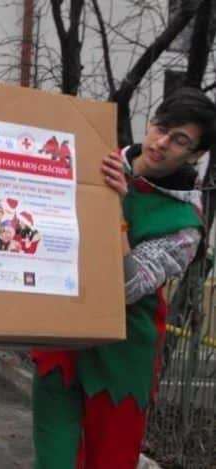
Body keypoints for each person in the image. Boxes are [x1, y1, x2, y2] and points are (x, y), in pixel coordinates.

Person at [31, 87, 216, 469]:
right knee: (53, 461)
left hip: (122, 357)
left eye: (179, 140)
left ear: (196, 155)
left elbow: (128, 287)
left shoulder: (185, 226)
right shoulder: (93, 157)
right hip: (62, 339)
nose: (162, 143)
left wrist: (112, 209)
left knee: (109, 463)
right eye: (160, 127)